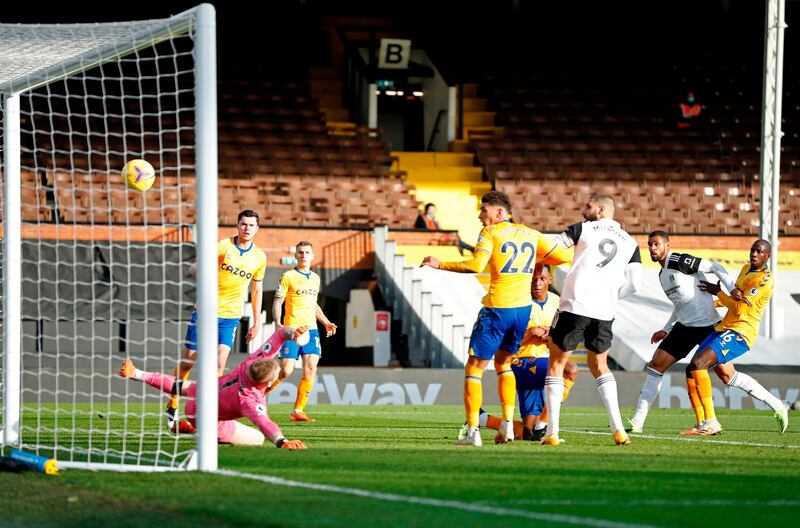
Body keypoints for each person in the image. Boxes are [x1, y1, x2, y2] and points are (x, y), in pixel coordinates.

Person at [420, 191, 571, 446]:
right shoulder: (531, 234)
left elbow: (476, 266)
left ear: (499, 212)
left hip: (497, 308)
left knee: (474, 368)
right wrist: (535, 259)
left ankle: (472, 432)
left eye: (484, 210)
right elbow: (563, 257)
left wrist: (440, 263)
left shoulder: (491, 233)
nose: (480, 216)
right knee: (504, 363)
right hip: (522, 310)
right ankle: (507, 426)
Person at [623, 231, 788, 435]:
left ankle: (773, 405)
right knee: (656, 365)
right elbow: (681, 304)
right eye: (650, 245)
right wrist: (666, 329)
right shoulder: (662, 275)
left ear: (667, 245)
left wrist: (729, 291)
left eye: (656, 244)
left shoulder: (680, 260)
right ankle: (640, 422)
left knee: (726, 375)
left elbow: (715, 267)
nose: (652, 248)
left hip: (709, 326)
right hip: (685, 326)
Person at [542, 193, 643, 446]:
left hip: (575, 304)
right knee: (600, 366)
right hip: (604, 310)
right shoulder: (631, 243)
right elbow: (636, 284)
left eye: (587, 205)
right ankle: (618, 429)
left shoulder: (582, 229)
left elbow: (552, 247)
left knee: (556, 364)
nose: (583, 209)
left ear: (600, 209)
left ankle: (551, 432)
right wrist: (611, 296)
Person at [120, 326, 307, 449]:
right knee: (257, 438)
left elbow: (279, 334)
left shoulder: (250, 363)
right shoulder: (251, 400)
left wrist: (293, 334)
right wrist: (282, 442)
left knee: (182, 386)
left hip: (197, 399)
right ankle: (195, 429)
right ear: (266, 384)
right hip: (205, 419)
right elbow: (265, 423)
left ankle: (136, 373)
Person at [168, 209, 267, 433]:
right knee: (189, 362)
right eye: (243, 224)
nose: (247, 228)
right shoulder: (223, 246)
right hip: (205, 310)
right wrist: (197, 268)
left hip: (230, 316)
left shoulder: (259, 257)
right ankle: (173, 402)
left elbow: (257, 289)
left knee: (219, 364)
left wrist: (256, 322)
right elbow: (199, 265)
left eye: (251, 225)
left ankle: (209, 412)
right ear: (237, 225)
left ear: (257, 229)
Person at [460, 264, 579, 442]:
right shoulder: (518, 302)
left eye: (542, 279)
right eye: (533, 279)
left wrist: (551, 336)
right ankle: (544, 422)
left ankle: (483, 418)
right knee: (569, 369)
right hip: (519, 362)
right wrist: (530, 333)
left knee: (528, 434)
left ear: (550, 280)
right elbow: (503, 341)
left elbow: (564, 337)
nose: (537, 283)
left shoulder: (557, 302)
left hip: (542, 363)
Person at [682, 239, 777, 436]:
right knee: (693, 369)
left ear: (767, 256)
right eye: (753, 250)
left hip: (741, 332)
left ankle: (712, 422)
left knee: (700, 363)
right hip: (724, 327)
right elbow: (734, 299)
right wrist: (710, 302)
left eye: (759, 252)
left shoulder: (764, 280)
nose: (754, 254)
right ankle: (702, 424)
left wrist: (718, 292)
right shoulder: (745, 269)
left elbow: (740, 309)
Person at [271, 241, 337, 422]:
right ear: (295, 256)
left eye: (307, 252)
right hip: (292, 330)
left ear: (313, 256)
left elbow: (312, 304)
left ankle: (298, 410)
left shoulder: (315, 278)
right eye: (300, 252)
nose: (304, 255)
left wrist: (326, 322)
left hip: (311, 330)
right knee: (286, 371)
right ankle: (263, 393)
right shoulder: (288, 276)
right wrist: (277, 323)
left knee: (311, 368)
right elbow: (278, 301)